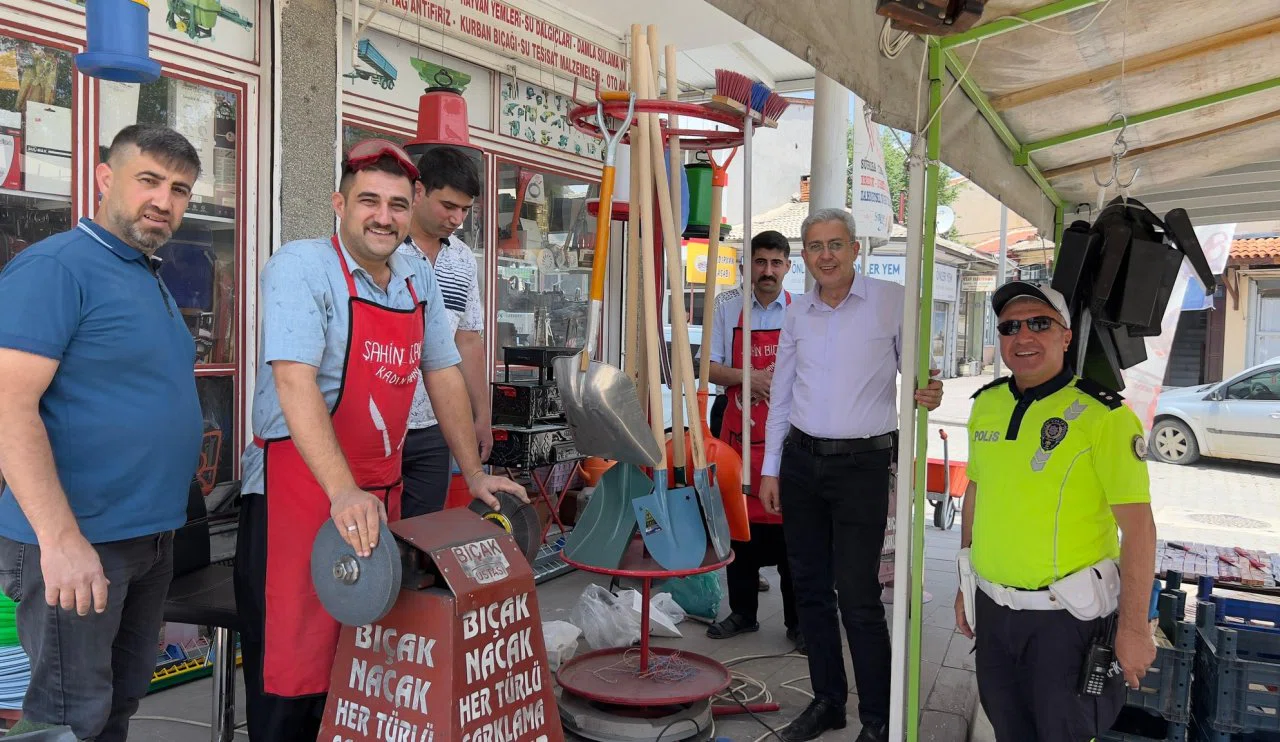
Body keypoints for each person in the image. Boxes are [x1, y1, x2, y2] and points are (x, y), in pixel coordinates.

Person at [233, 139, 526, 740]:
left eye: (396, 204)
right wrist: (342, 491)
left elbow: (441, 370)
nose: (383, 217)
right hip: (296, 493)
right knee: (290, 664)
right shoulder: (301, 266)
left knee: (363, 656)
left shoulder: (417, 276)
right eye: (369, 200)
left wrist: (472, 472)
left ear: (410, 208)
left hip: (378, 492)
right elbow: (294, 381)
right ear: (339, 204)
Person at [0, 124, 205, 740]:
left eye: (179, 189)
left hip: (147, 539)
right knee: (67, 719)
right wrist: (60, 540)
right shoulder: (57, 267)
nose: (164, 201)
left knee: (116, 705)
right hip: (77, 541)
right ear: (104, 177)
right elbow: (9, 405)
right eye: (149, 180)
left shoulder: (144, 272)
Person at [758, 208, 943, 742]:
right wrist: (770, 468)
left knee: (859, 594)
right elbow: (781, 396)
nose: (826, 256)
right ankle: (828, 702)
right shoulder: (797, 312)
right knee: (810, 588)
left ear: (855, 249)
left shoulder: (892, 300)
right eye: (815, 247)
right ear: (805, 257)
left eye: (835, 244)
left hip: (863, 465)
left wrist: (930, 389)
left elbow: (921, 374)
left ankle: (877, 719)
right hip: (801, 464)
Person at [954, 279, 1157, 742]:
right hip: (995, 612)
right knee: (1008, 728)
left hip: (1067, 621)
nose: (1023, 336)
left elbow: (1140, 530)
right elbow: (976, 494)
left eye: (1039, 324)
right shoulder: (987, 404)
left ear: (1066, 336)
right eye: (1010, 327)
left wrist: (1133, 628)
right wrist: (966, 586)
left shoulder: (1105, 416)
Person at [704, 230, 802, 649]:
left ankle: (799, 622)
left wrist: (778, 382)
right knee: (740, 524)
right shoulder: (726, 307)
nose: (768, 271)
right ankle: (743, 612)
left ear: (788, 267)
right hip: (739, 436)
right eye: (760, 262)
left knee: (794, 531)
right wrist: (749, 377)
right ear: (747, 266)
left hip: (788, 437)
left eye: (776, 263)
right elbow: (707, 367)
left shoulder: (802, 310)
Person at [398, 146, 491, 517]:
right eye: (449, 206)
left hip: (437, 423)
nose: (457, 219)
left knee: (424, 530)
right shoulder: (386, 246)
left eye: (465, 210)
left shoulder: (462, 257)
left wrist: (481, 415)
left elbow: (467, 339)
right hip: (381, 421)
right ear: (419, 191)